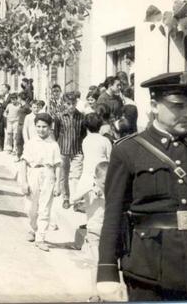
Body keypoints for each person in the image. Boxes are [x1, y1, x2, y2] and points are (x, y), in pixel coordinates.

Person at [97, 70, 187, 301]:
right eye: (178, 106)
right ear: (154, 106)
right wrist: (107, 272)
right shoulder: (128, 150)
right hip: (148, 269)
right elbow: (113, 215)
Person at [72, 112, 112, 301]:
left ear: (87, 127)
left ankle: (89, 229)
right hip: (104, 175)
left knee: (92, 214)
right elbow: (111, 157)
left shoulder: (86, 140)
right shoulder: (105, 140)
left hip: (91, 178)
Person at [18, 113, 61, 251]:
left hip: (48, 174)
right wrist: (24, 182)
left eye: (44, 127)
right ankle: (33, 228)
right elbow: (23, 162)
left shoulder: (53, 145)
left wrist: (58, 184)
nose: (41, 129)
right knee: (31, 208)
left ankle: (40, 237)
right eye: (38, 126)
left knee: (45, 208)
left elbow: (58, 165)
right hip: (33, 173)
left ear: (50, 128)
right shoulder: (30, 143)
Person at [53, 91, 87, 209]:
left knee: (76, 176)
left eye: (73, 103)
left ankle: (76, 200)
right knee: (64, 176)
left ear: (76, 103)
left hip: (77, 151)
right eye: (68, 104)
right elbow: (56, 134)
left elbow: (83, 134)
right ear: (64, 104)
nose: (71, 106)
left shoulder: (82, 117)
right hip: (63, 150)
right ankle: (66, 198)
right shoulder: (59, 117)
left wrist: (83, 149)